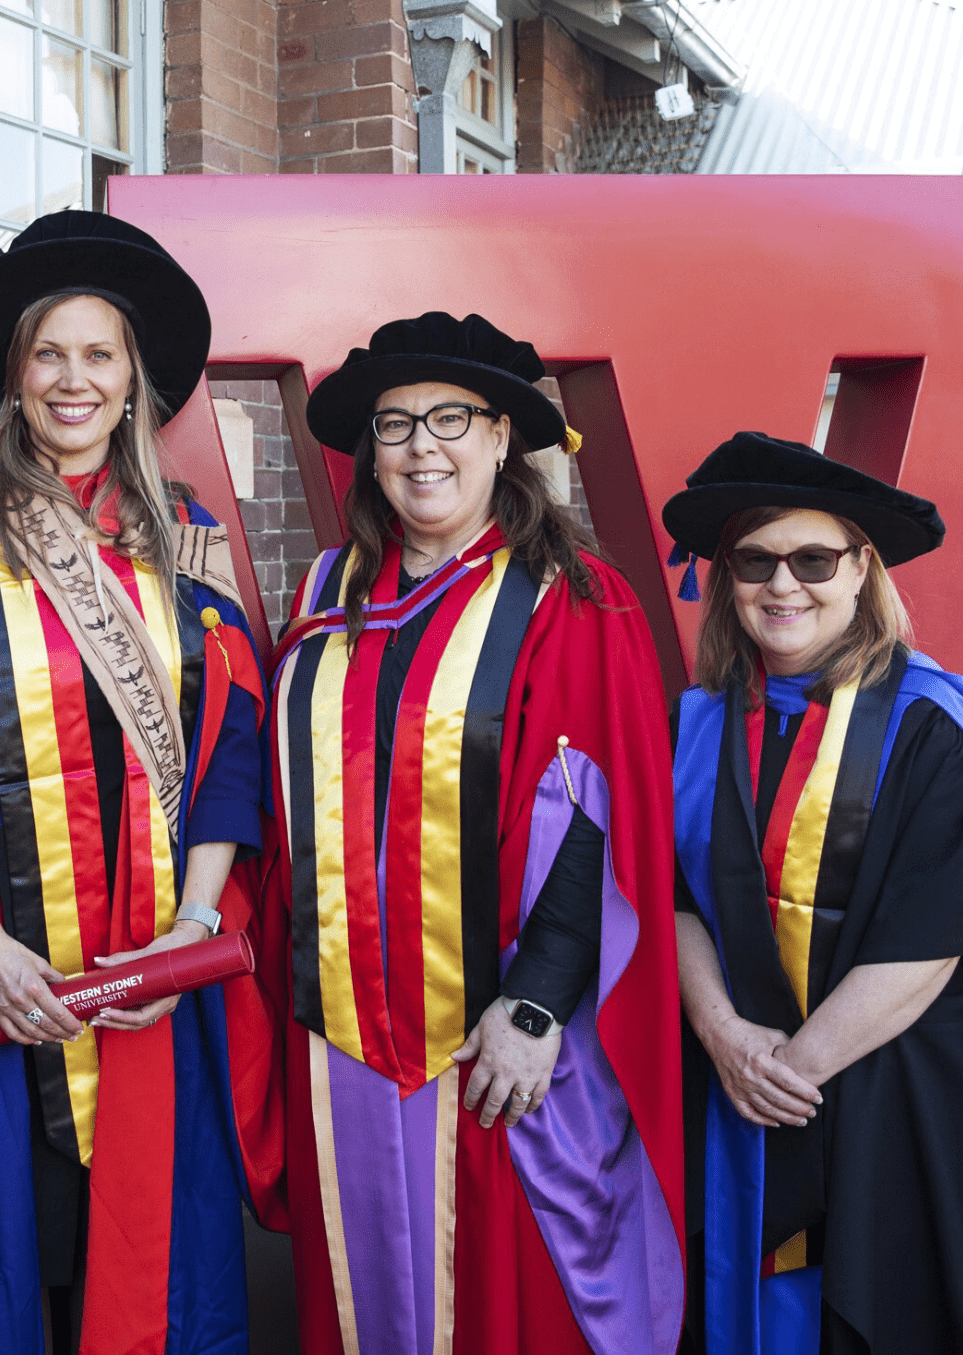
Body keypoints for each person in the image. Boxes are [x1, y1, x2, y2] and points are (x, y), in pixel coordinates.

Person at [0, 211, 283, 1354]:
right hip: (0, 974)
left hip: (152, 972)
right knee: (4, 1255)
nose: (73, 378)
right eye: (48, 352)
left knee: (150, 1269)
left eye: (98, 354)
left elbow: (231, 746)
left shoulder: (184, 548)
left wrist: (194, 928)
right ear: (14, 374)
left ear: (131, 379)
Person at [265, 312, 684, 1353]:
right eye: (394, 423)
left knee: (497, 1298)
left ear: (503, 437)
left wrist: (537, 1004)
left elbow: (598, 814)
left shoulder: (570, 598)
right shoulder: (327, 595)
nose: (420, 447)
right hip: (338, 1036)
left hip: (490, 1038)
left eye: (449, 418)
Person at [663, 432, 963, 1355]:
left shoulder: (932, 722)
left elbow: (930, 935)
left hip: (878, 1094)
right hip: (726, 1090)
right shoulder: (696, 722)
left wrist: (786, 1075)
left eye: (813, 557)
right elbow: (666, 895)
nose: (782, 584)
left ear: (862, 567)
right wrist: (724, 1039)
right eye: (755, 559)